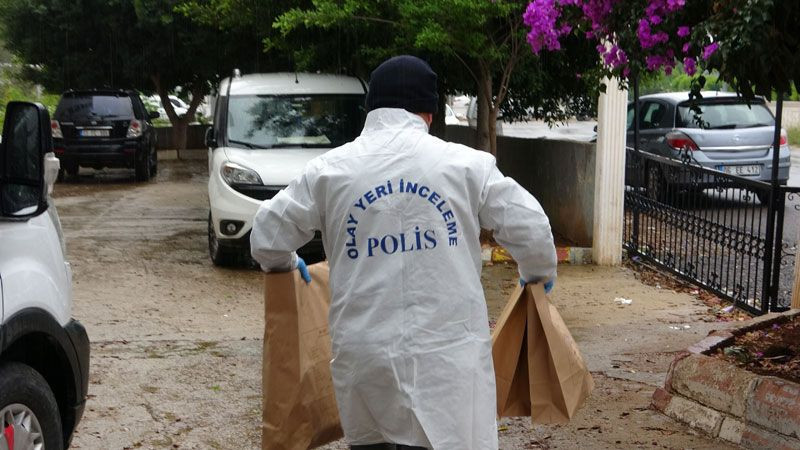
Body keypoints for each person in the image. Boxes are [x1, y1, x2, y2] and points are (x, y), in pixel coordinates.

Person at [251, 55, 557, 450]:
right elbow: (531, 227)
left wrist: (286, 262)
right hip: (447, 359)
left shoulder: (329, 170)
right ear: (428, 112)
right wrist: (537, 274)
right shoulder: (465, 165)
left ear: (371, 109)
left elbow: (266, 236)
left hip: (364, 358)